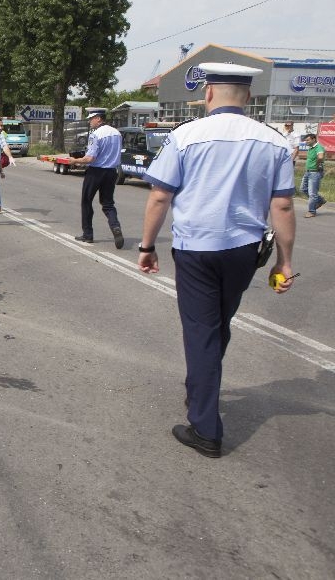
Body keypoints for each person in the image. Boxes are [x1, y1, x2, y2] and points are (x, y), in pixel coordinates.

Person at [137, 62, 296, 458]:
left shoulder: (185, 136)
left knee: (201, 331)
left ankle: (205, 429)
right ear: (248, 96)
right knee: (218, 325)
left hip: (196, 249)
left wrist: (147, 246)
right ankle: (200, 390)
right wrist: (284, 262)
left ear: (208, 93)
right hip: (244, 251)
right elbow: (282, 206)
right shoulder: (274, 141)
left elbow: (160, 196)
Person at [66, 109, 124, 248]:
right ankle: (115, 226)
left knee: (86, 202)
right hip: (111, 172)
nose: (89, 122)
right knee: (108, 204)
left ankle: (88, 234)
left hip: (96, 172)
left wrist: (75, 161)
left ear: (98, 118)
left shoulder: (96, 134)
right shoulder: (117, 133)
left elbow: (90, 158)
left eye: (91, 119)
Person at [299, 132, 327, 217]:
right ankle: (320, 200)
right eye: (305, 140)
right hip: (308, 172)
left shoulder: (318, 147)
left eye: (308, 140)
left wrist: (317, 164)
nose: (306, 142)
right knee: (303, 189)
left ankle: (312, 211)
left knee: (312, 193)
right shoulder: (311, 148)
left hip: (315, 173)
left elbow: (320, 157)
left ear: (314, 139)